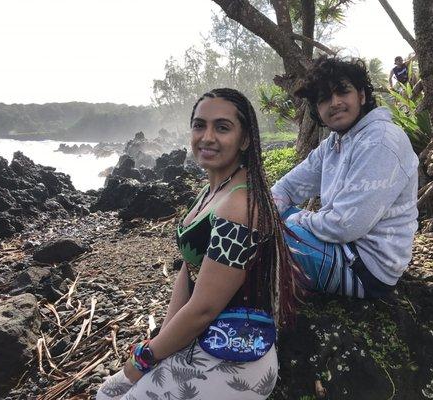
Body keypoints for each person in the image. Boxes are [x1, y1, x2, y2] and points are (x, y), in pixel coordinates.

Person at [97, 88, 299, 400]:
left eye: (222, 127)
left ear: (245, 140)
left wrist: (144, 358)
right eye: (199, 125)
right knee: (108, 392)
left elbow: (204, 308)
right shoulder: (210, 193)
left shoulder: (240, 206)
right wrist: (161, 342)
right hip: (199, 340)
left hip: (235, 357)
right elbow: (189, 271)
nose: (206, 137)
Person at [272, 56, 419, 299]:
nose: (335, 103)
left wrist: (296, 220)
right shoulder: (335, 143)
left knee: (262, 243)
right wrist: (264, 214)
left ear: (361, 95)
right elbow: (287, 188)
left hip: (368, 270)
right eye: (324, 98)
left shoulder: (381, 140)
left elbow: (344, 225)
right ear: (317, 110)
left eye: (342, 92)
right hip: (342, 247)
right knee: (259, 222)